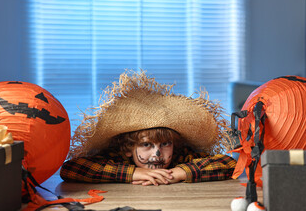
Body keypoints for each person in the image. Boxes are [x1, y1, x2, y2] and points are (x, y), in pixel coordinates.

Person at [60, 70, 236, 185]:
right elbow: (71, 168)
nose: (157, 154)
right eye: (146, 145)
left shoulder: (181, 157)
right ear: (129, 149)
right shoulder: (117, 158)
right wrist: (133, 173)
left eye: (165, 144)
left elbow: (229, 163)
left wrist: (179, 172)